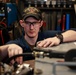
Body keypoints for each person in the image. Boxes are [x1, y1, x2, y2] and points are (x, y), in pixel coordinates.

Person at [0, 7, 76, 64]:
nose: (31, 27)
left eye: (35, 23)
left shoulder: (48, 37)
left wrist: (59, 38)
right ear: (22, 23)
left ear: (41, 24)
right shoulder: (16, 43)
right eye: (27, 23)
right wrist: (7, 48)